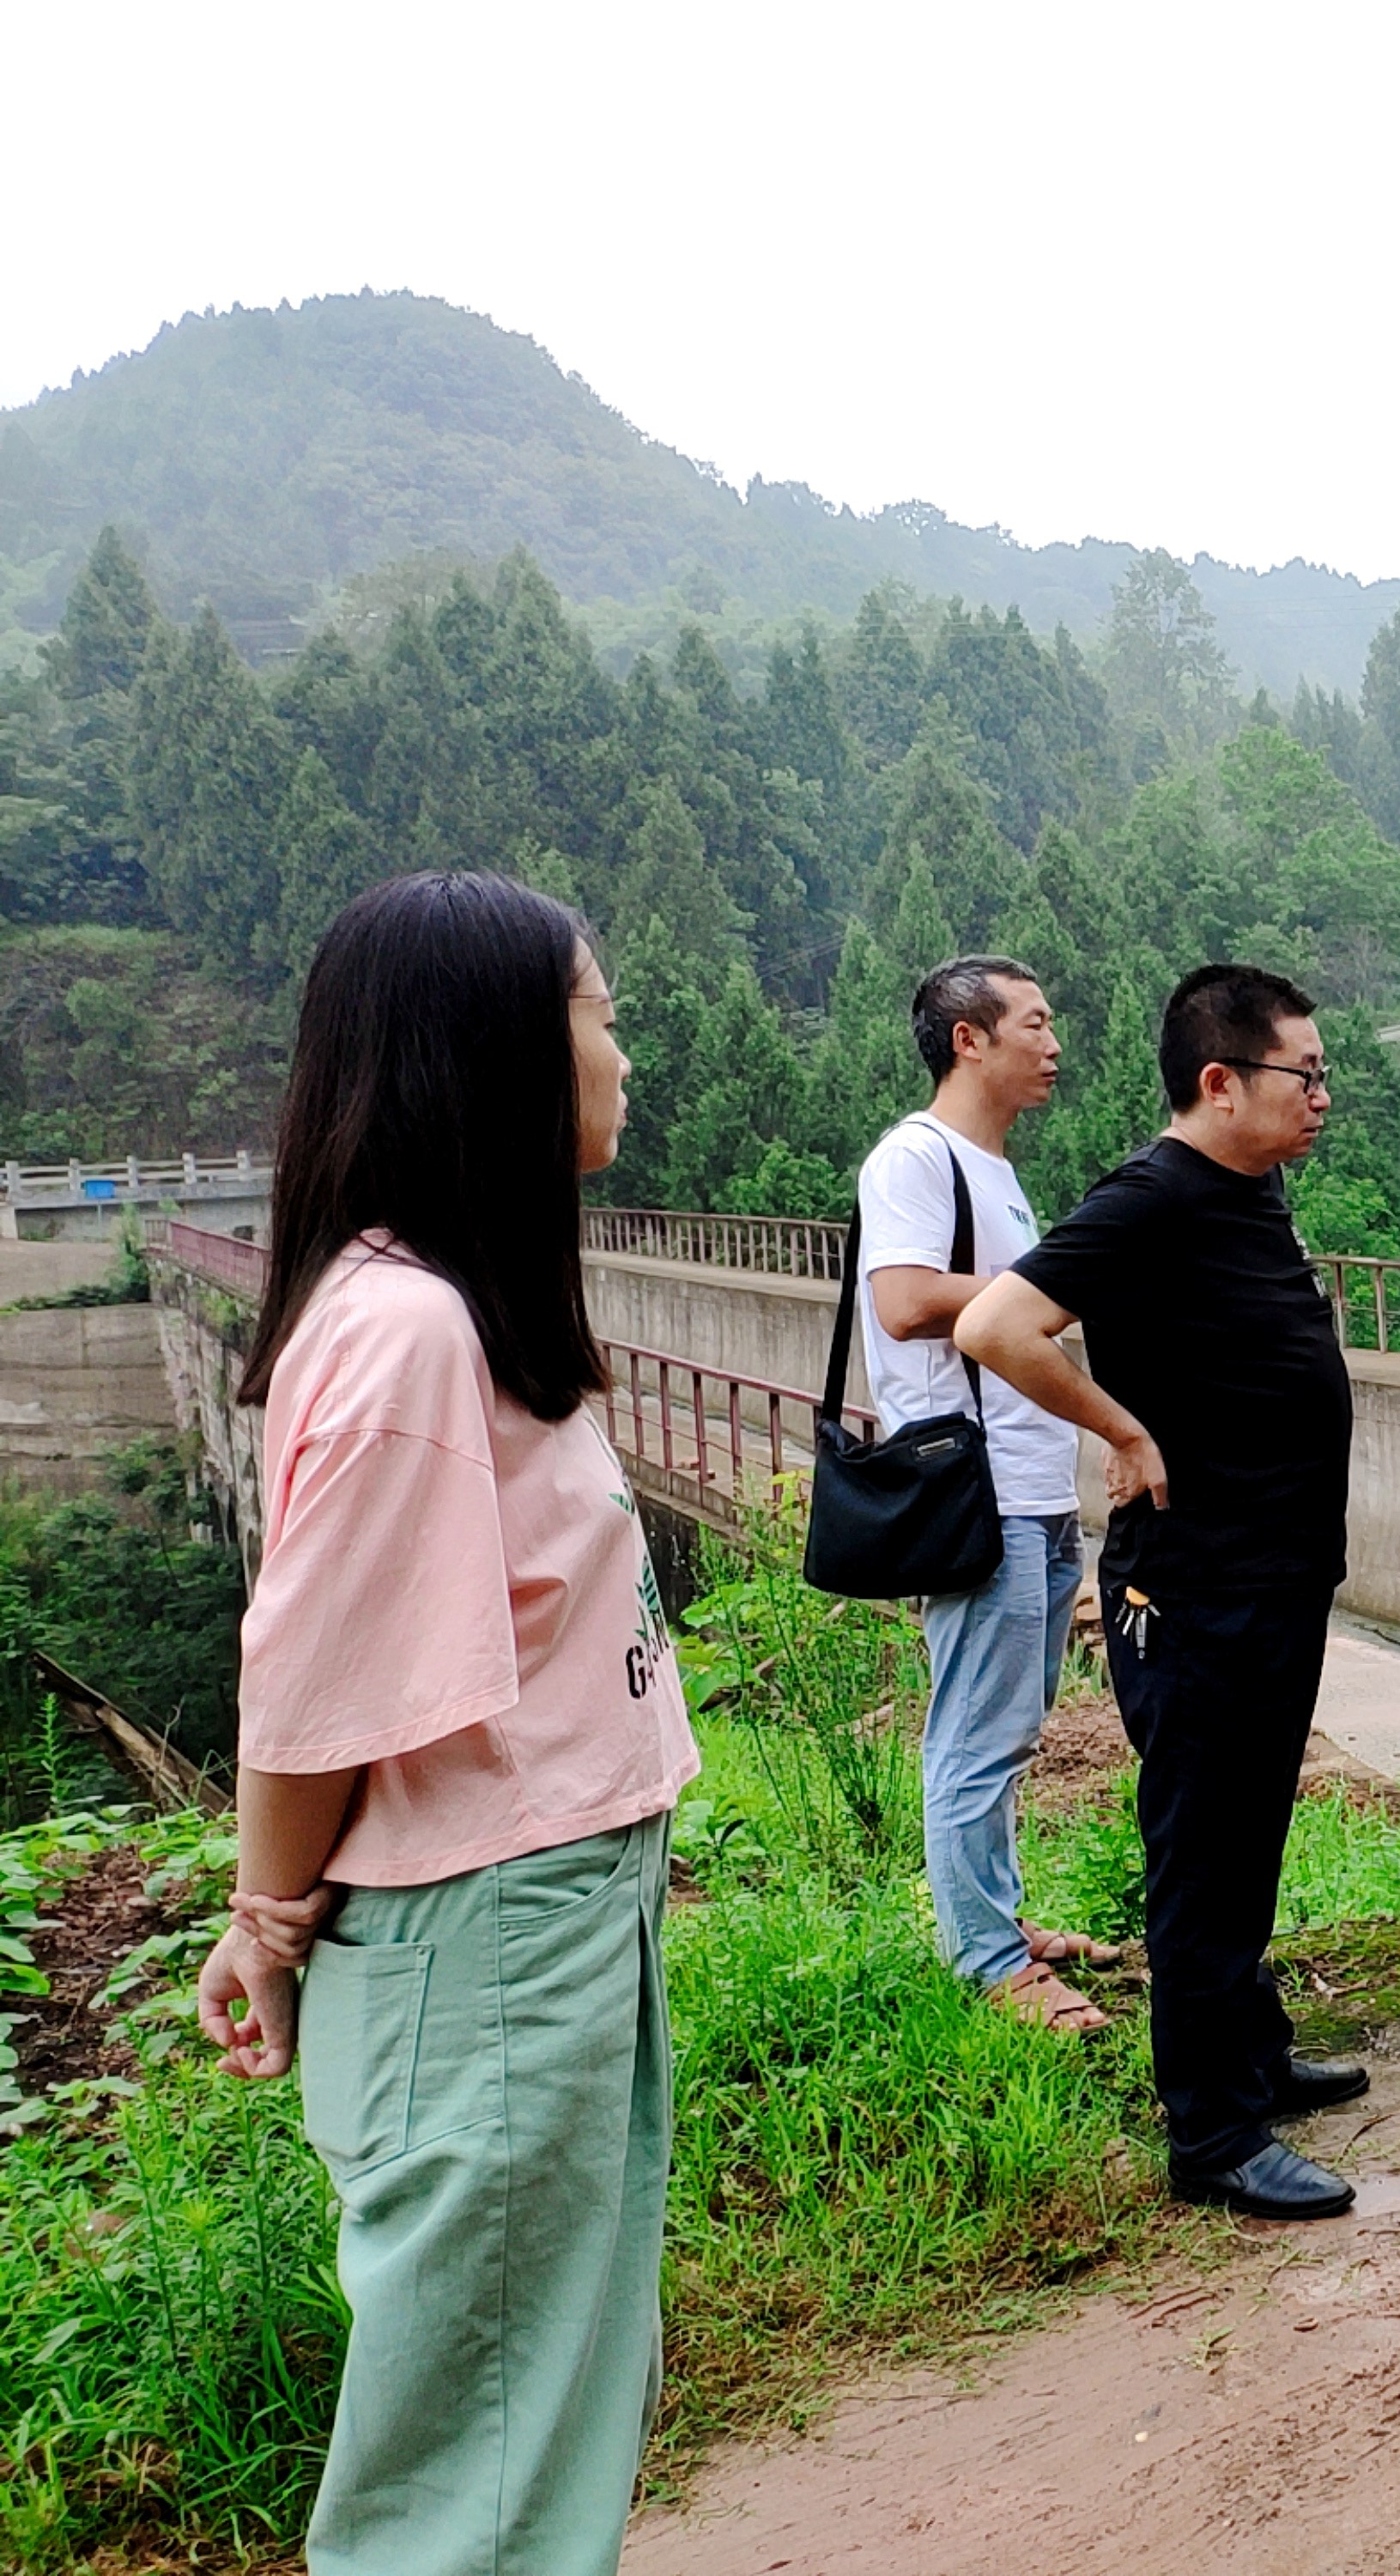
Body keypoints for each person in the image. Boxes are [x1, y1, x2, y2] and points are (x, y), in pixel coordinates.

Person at [192, 872, 697, 2576]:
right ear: (495, 1053)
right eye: (599, 1014)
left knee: (537, 2427)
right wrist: (265, 1920)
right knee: (475, 2473)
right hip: (485, 1946)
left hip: (544, 1917)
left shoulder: (448, 1307)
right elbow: (312, 1688)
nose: (622, 1052)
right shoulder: (405, 1330)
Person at [955, 964, 1366, 2221]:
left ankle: (1252, 2052)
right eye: (1304, 1075)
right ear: (1219, 1081)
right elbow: (994, 1326)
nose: (1321, 1098)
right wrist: (1124, 1433)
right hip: (1196, 1591)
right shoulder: (1153, 1194)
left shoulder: (1251, 1188)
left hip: (1275, 1572)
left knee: (1249, 1833)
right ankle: (1213, 2135)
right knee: (1204, 1848)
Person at [854, 953, 1116, 2032]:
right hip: (979, 1492)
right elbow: (907, 1299)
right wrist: (1054, 1287)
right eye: (1034, 1023)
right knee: (974, 1734)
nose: (1053, 1045)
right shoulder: (916, 1157)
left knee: (1007, 1729)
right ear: (969, 1039)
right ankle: (987, 1961)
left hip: (1032, 1491)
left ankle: (997, 1921)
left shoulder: (993, 1170)